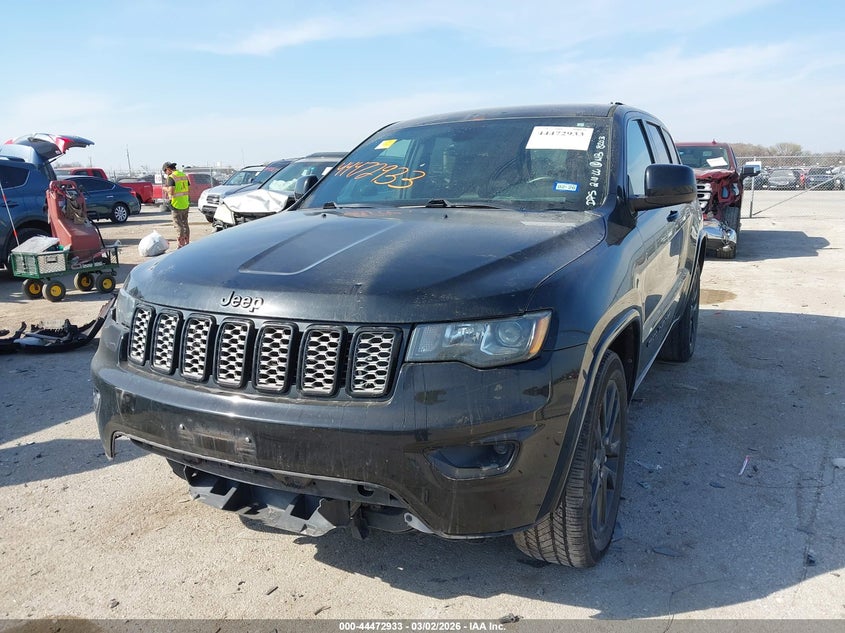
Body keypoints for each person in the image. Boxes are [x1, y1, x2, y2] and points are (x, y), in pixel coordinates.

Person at [162, 161, 191, 248]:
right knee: (185, 224)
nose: (166, 174)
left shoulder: (172, 177)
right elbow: (189, 188)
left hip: (176, 205)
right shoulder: (183, 175)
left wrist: (164, 189)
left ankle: (181, 244)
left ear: (168, 169)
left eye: (165, 171)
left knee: (178, 225)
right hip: (185, 203)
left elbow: (171, 191)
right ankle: (187, 242)